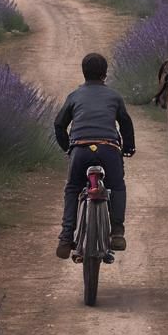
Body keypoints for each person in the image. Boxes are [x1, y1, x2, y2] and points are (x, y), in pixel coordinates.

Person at [54, 52, 135, 259]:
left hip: (80, 150)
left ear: (83, 73)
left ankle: (65, 238)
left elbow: (59, 124)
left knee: (72, 188)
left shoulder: (74, 96)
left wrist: (67, 148)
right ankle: (117, 231)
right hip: (108, 149)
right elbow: (125, 123)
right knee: (117, 186)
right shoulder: (114, 97)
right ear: (104, 74)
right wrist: (128, 148)